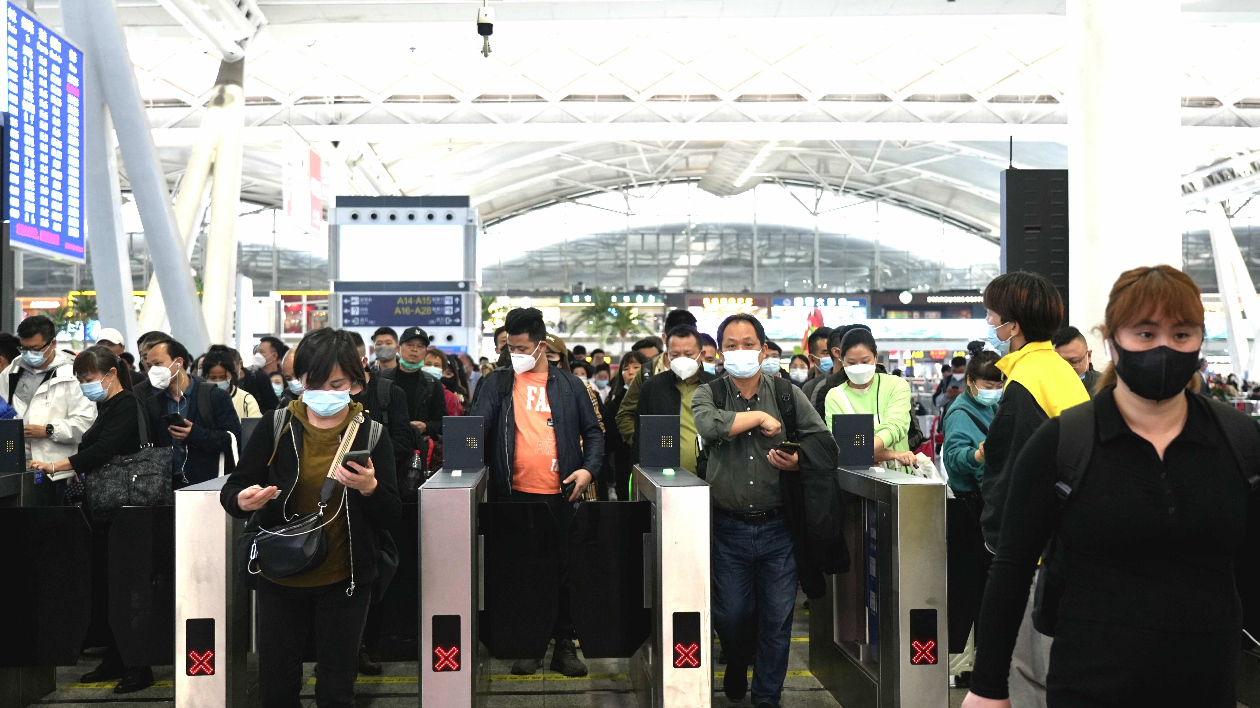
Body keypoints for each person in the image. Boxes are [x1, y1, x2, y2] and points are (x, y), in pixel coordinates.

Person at [963, 265, 1257, 708]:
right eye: (1144, 333)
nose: (1163, 348)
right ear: (1112, 339)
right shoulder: (1065, 442)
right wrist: (987, 689)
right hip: (1090, 683)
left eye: (1181, 335)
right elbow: (1012, 566)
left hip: (1207, 685)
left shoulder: (1238, 441)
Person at [221, 329, 400, 708]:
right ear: (299, 381)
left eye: (336, 383)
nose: (324, 392)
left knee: (336, 689)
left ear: (355, 381)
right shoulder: (277, 424)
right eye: (313, 382)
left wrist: (370, 487)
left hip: (344, 581)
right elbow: (234, 488)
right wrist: (243, 499)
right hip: (280, 576)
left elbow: (392, 514)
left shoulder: (372, 433)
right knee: (277, 687)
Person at [692, 313, 839, 708]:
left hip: (778, 528)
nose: (741, 351)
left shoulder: (789, 393)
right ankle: (738, 658)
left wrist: (798, 459)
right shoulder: (709, 392)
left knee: (777, 622)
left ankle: (767, 699)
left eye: (749, 343)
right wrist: (757, 417)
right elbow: (708, 426)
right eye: (733, 345)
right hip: (727, 526)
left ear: (763, 348)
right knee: (731, 615)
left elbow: (823, 441)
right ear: (722, 352)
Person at [469, 307, 603, 677]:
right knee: (523, 575)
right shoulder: (497, 383)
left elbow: (593, 433)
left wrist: (588, 470)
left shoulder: (570, 386)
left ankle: (564, 645)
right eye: (509, 348)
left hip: (561, 494)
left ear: (541, 346)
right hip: (513, 494)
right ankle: (529, 644)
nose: (514, 355)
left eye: (521, 347)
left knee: (564, 573)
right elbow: (475, 429)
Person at [977, 271, 1090, 707]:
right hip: (1066, 543)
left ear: (1014, 326)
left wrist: (1000, 544)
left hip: (1037, 555)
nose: (989, 323)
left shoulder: (1027, 382)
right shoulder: (1055, 371)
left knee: (1026, 672)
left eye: (992, 315)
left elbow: (1015, 474)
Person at [27, 347, 149, 692]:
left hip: (128, 511)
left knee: (127, 590)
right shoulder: (106, 405)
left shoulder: (126, 404)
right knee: (109, 587)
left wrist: (55, 466)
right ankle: (116, 658)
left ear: (111, 374)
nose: (84, 385)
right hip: (108, 509)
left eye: (89, 378)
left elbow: (101, 450)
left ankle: (138, 666)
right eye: (81, 379)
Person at [941, 349, 1003, 675]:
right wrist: (976, 457)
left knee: (984, 588)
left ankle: (979, 659)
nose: (994, 388)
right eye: (987, 383)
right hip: (968, 509)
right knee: (969, 588)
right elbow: (952, 458)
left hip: (987, 505)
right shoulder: (961, 412)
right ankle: (958, 664)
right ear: (970, 382)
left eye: (998, 382)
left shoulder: (991, 406)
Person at [0, 315, 96, 483]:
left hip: (55, 469)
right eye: (24, 348)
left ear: (52, 343)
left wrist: (49, 430)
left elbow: (86, 423)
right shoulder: (13, 369)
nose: (29, 354)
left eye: (36, 349)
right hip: (14, 463)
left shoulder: (72, 374)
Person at [144, 338, 243, 486]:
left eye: (158, 364)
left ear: (179, 362)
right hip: (167, 488)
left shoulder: (214, 396)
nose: (153, 370)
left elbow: (233, 439)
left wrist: (195, 434)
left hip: (208, 485)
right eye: (149, 366)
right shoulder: (154, 403)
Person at [823, 328, 918, 472]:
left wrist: (858, 449)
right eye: (851, 362)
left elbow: (895, 426)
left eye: (865, 361)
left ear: (876, 358)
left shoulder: (896, 385)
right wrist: (893, 454)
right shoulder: (835, 396)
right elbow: (843, 447)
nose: (859, 367)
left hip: (899, 477)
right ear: (842, 361)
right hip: (854, 480)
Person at [634, 325, 718, 478]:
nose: (682, 359)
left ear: (702, 354)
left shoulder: (717, 386)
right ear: (667, 356)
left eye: (688, 354)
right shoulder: (653, 387)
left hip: (712, 475)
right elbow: (641, 434)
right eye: (675, 354)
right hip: (665, 476)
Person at [378, 327, 446, 440]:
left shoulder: (433, 384)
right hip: (386, 443)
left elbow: (442, 422)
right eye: (410, 345)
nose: (414, 350)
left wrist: (426, 426)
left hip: (419, 445)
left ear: (425, 352)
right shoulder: (381, 379)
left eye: (420, 346)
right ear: (399, 348)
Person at [202, 348, 262, 420]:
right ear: (205, 377)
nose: (218, 381)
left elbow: (254, 427)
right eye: (213, 377)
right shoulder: (199, 399)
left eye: (223, 377)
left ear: (232, 375)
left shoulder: (246, 400)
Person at [1052, 326, 1101, 395]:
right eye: (1061, 362)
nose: (1067, 368)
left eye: (1074, 361)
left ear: (1089, 356)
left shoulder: (1104, 386)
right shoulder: (1046, 385)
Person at [423, 348, 465, 416]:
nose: (432, 368)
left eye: (437, 365)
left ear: (442, 369)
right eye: (428, 364)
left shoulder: (450, 398)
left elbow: (453, 424)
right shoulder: (412, 389)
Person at [800, 326, 835, 401]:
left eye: (835, 352)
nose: (833, 356)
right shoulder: (804, 389)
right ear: (812, 358)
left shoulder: (848, 384)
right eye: (826, 353)